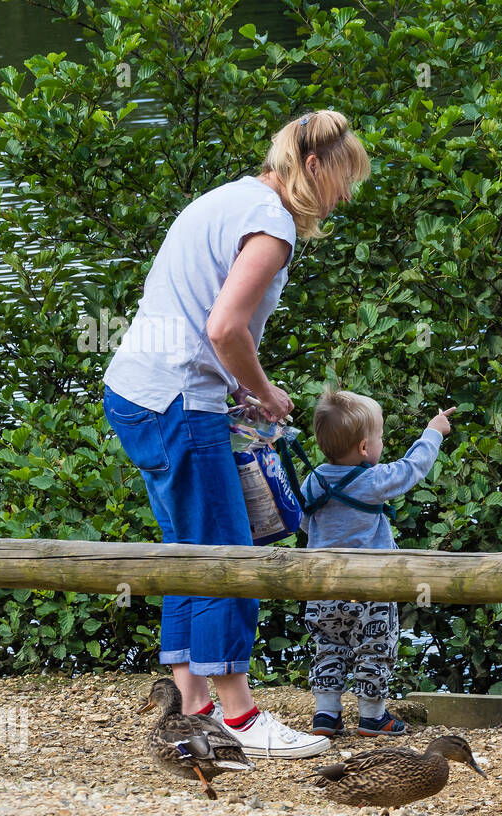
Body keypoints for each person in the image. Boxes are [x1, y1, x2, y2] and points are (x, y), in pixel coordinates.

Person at [101, 110, 369, 758]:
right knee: (228, 552)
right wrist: (261, 391)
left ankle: (192, 707)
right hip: (178, 401)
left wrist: (232, 392)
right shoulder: (272, 225)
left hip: (135, 391)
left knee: (186, 550)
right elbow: (225, 328)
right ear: (312, 167)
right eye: (341, 182)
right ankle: (241, 717)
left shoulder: (228, 199)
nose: (340, 200)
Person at [301, 390, 454, 736]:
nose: (382, 442)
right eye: (380, 436)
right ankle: (372, 716)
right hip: (371, 588)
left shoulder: (313, 481)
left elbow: (305, 522)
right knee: (374, 648)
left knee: (328, 647)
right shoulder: (372, 480)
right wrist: (432, 432)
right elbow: (412, 468)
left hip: (322, 588)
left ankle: (326, 715)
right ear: (364, 448)